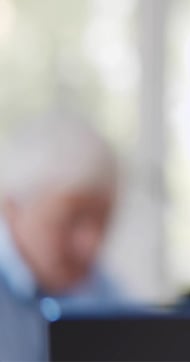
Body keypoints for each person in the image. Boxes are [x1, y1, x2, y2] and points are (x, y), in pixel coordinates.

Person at [0, 111, 123, 361]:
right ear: (12, 208)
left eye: (103, 219)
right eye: (72, 219)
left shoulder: (108, 297)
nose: (91, 243)